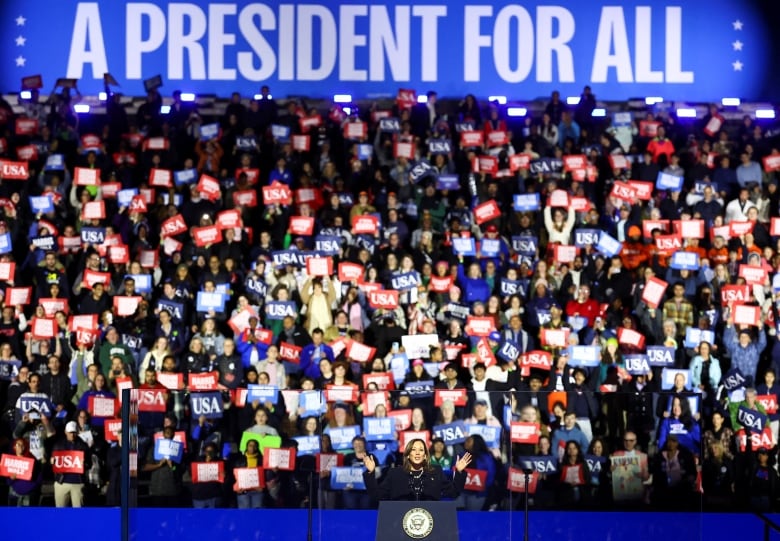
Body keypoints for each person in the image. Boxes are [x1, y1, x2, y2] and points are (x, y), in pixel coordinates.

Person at [362, 439, 472, 502]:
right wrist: (370, 473)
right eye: (413, 450)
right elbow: (376, 495)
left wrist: (459, 472)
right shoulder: (395, 473)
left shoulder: (435, 472)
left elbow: (453, 493)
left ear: (425, 455)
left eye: (421, 450)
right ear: (408, 455)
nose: (417, 453)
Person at [53, 421, 90, 508]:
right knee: (60, 512)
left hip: (78, 483)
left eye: (74, 432)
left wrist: (85, 463)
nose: (72, 435)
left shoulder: (83, 446)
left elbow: (90, 464)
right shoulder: (58, 445)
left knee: (78, 513)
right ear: (65, 432)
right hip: (61, 482)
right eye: (70, 432)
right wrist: (52, 461)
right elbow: (53, 462)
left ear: (77, 432)